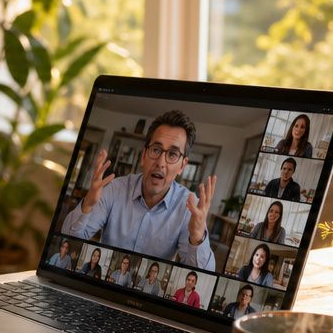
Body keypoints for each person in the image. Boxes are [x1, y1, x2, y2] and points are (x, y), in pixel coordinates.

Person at [61, 110, 217, 269]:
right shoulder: (115, 189)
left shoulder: (189, 207)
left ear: (182, 166)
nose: (161, 163)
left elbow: (200, 275)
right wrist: (87, 205)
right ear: (143, 156)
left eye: (172, 154)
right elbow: (67, 243)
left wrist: (197, 238)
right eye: (156, 150)